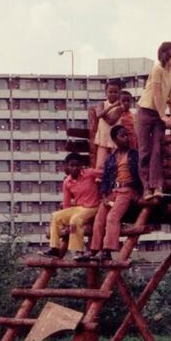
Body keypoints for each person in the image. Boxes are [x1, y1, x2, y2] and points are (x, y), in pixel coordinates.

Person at [78, 125, 141, 264]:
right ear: (114, 140)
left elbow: (142, 174)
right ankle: (94, 250)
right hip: (113, 191)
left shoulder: (134, 155)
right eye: (122, 136)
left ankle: (107, 250)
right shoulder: (111, 158)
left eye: (126, 135)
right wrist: (104, 196)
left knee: (112, 217)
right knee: (100, 217)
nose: (126, 138)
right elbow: (106, 179)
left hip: (127, 190)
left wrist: (139, 192)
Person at [136, 41, 171, 202]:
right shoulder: (157, 68)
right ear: (166, 55)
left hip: (159, 113)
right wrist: (163, 115)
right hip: (146, 110)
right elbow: (156, 93)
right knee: (144, 151)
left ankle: (157, 186)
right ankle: (146, 187)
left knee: (157, 150)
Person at [43, 152, 102, 257]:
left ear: (81, 165)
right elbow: (66, 203)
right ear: (67, 166)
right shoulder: (67, 182)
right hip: (79, 208)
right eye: (72, 165)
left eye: (77, 165)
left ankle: (79, 251)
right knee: (56, 216)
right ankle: (54, 248)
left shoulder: (89, 173)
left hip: (93, 207)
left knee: (75, 219)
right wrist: (65, 221)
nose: (75, 168)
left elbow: (105, 173)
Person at [89, 78, 124, 170]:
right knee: (100, 165)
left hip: (115, 140)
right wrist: (112, 106)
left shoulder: (120, 108)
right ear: (106, 92)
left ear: (119, 93)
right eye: (110, 92)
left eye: (115, 92)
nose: (113, 94)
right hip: (103, 139)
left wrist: (103, 114)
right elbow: (98, 114)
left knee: (115, 164)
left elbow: (111, 121)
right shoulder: (102, 104)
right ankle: (99, 182)